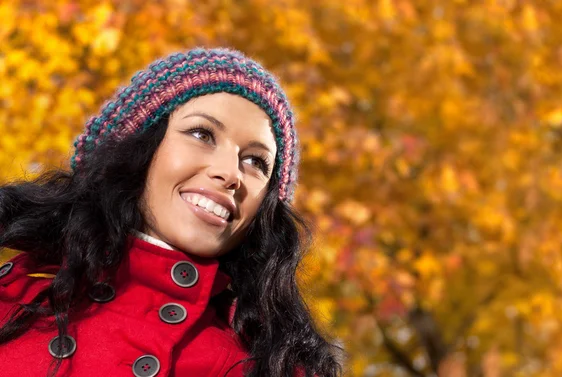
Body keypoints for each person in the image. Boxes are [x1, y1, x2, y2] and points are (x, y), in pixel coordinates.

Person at [0, 47, 341, 377]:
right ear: (138, 148)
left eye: (255, 161)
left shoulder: (269, 365)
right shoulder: (18, 292)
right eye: (202, 134)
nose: (230, 173)